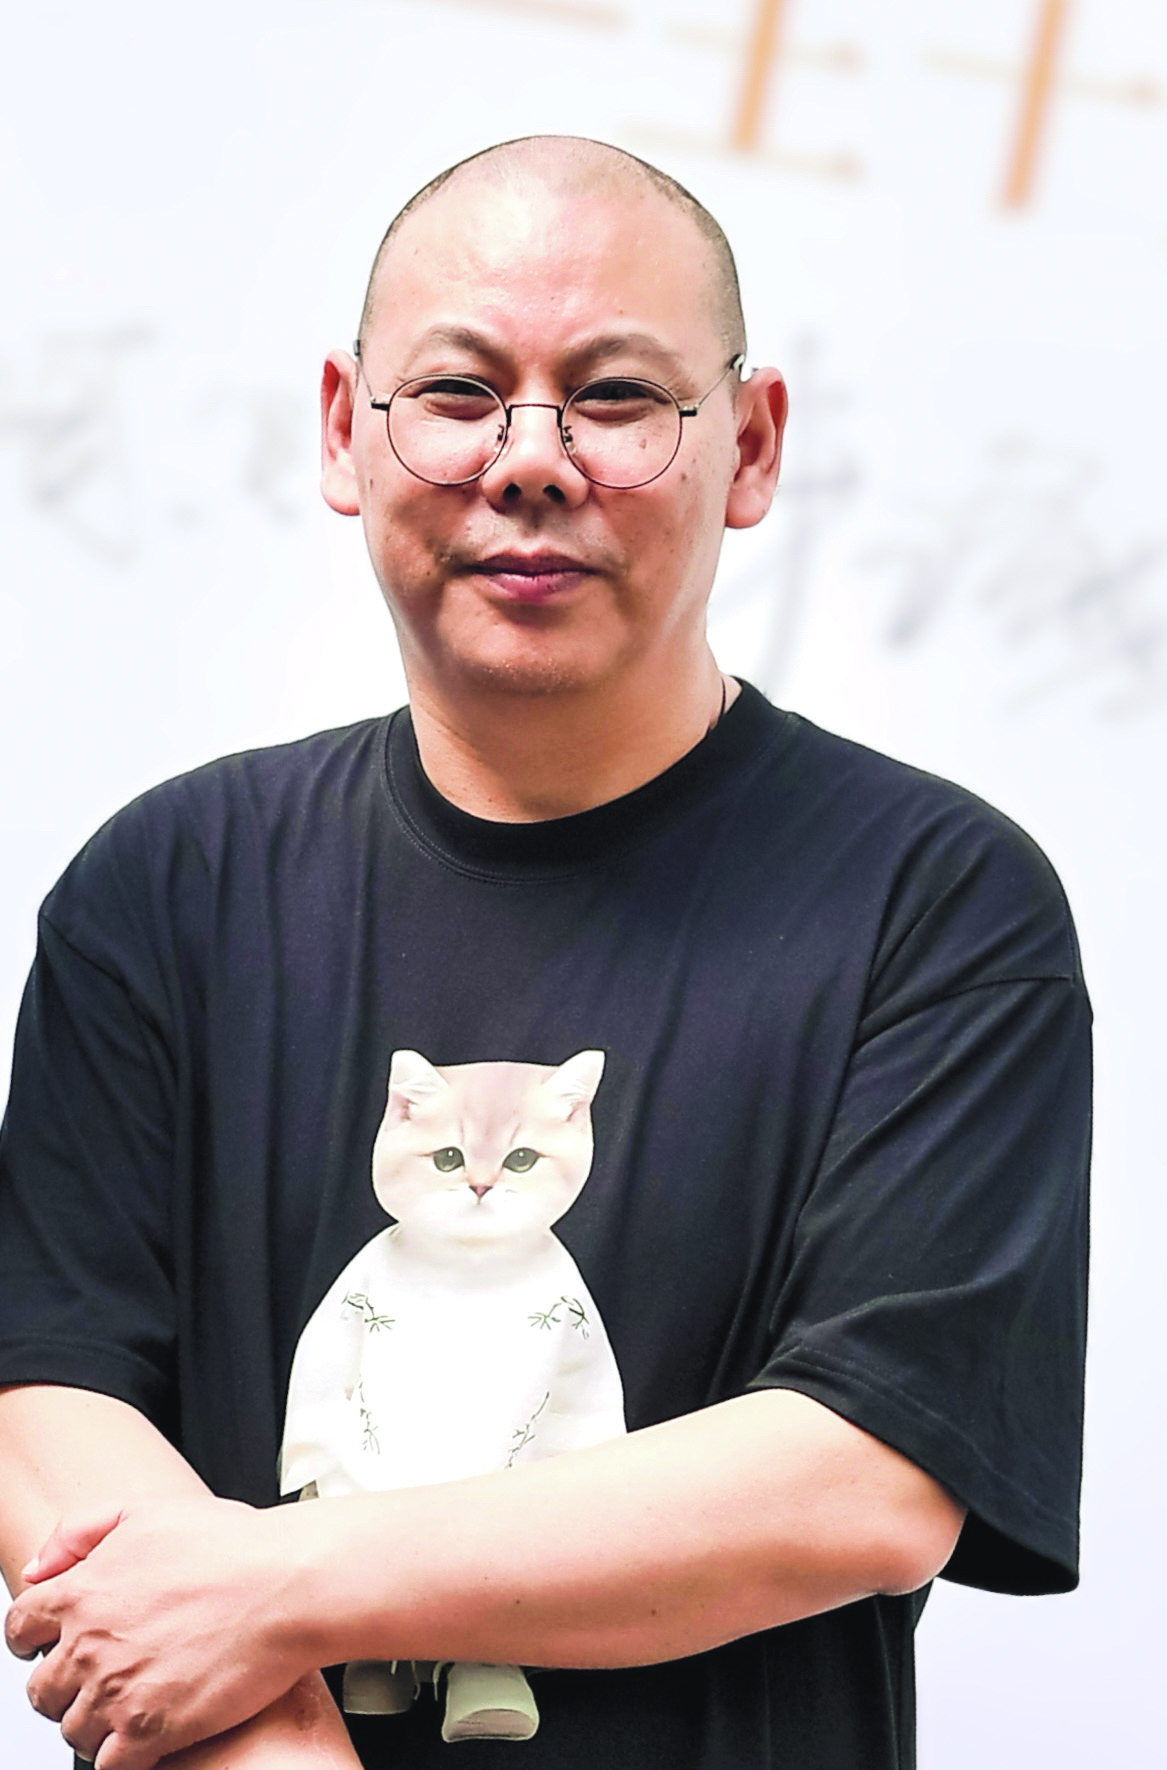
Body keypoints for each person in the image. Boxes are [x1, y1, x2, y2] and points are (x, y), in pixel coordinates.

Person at [0, 135, 1089, 1770]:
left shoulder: (933, 901)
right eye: (457, 393)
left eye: (614, 398)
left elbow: (860, 1478)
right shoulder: (168, 887)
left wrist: (277, 1587)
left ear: (750, 445)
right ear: (343, 431)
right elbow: (50, 1401)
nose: (529, 461)